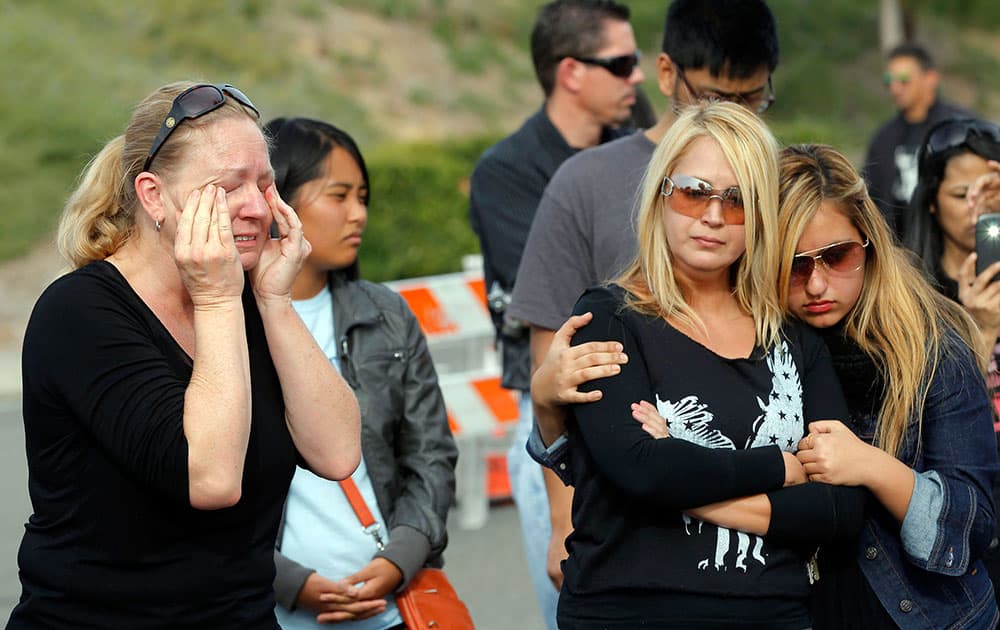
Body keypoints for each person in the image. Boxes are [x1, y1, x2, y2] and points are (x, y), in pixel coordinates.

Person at [537, 142, 1000, 628]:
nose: (818, 285)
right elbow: (615, 466)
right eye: (795, 265)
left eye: (836, 257)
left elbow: (969, 529)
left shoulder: (926, 345)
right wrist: (548, 409)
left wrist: (874, 467)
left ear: (870, 244)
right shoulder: (757, 338)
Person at [7, 82, 361, 628]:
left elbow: (338, 454)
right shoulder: (79, 313)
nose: (254, 207)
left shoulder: (246, 296)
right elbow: (212, 479)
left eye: (265, 185)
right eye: (228, 187)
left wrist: (273, 300)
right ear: (153, 197)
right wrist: (217, 298)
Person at [532, 101, 865, 629]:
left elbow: (840, 512)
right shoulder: (608, 319)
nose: (713, 216)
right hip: (628, 613)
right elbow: (640, 470)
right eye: (694, 192)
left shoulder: (794, 338)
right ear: (661, 193)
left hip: (774, 615)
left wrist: (682, 471)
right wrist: (786, 466)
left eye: (737, 201)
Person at [508, 0, 779, 592]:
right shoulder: (585, 182)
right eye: (711, 97)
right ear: (665, 74)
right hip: (610, 489)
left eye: (752, 100)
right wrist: (560, 520)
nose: (730, 117)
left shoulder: (773, 182)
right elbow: (556, 354)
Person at [467, 1, 642, 624]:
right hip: (558, 422)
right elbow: (565, 313)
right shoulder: (508, 174)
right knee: (579, 600)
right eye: (621, 63)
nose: (638, 76)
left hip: (655, 405)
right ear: (571, 71)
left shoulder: (641, 149)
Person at [263, 117, 458, 629]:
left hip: (396, 611)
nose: (359, 214)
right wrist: (289, 582)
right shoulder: (224, 324)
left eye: (364, 197)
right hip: (269, 613)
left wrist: (399, 560)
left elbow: (431, 455)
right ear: (278, 201)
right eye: (340, 195)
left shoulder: (386, 315)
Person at [902, 117, 1000, 609]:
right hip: (962, 515)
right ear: (932, 199)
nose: (976, 208)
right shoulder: (909, 293)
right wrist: (978, 330)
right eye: (962, 195)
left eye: (989, 191)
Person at [862, 43, 973, 240]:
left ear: (930, 79)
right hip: (901, 254)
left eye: (904, 79)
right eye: (889, 80)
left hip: (952, 247)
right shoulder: (883, 139)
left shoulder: (960, 129)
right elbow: (871, 200)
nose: (895, 88)